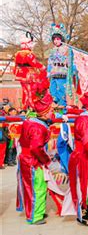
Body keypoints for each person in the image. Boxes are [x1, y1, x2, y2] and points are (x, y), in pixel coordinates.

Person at [16, 94, 54, 225]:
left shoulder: (31, 121)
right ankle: (35, 216)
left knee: (34, 187)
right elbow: (36, 148)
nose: (52, 113)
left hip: (28, 158)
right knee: (37, 187)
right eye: (50, 111)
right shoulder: (38, 128)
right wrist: (47, 161)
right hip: (33, 161)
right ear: (44, 113)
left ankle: (36, 211)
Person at [68, 92, 88, 226]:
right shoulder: (85, 120)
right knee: (85, 185)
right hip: (84, 156)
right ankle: (85, 213)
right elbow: (87, 142)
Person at [47, 23, 72, 107]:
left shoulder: (66, 49)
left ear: (61, 39)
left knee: (61, 93)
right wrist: (48, 73)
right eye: (54, 39)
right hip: (53, 74)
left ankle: (62, 112)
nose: (56, 41)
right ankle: (55, 110)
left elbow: (70, 61)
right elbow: (49, 62)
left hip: (62, 74)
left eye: (57, 39)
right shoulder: (52, 50)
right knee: (53, 93)